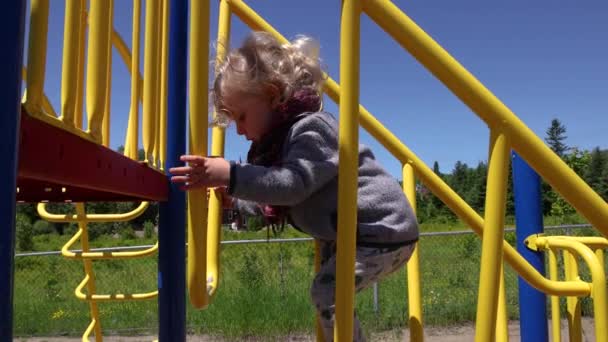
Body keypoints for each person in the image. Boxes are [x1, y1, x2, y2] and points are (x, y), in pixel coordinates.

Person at [169, 31, 419, 342]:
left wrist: (231, 175)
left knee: (328, 292)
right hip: (351, 232)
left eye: (242, 117)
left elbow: (292, 186)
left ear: (272, 95)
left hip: (382, 228)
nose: (240, 131)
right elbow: (276, 197)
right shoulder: (279, 145)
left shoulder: (313, 129)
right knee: (328, 293)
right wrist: (235, 200)